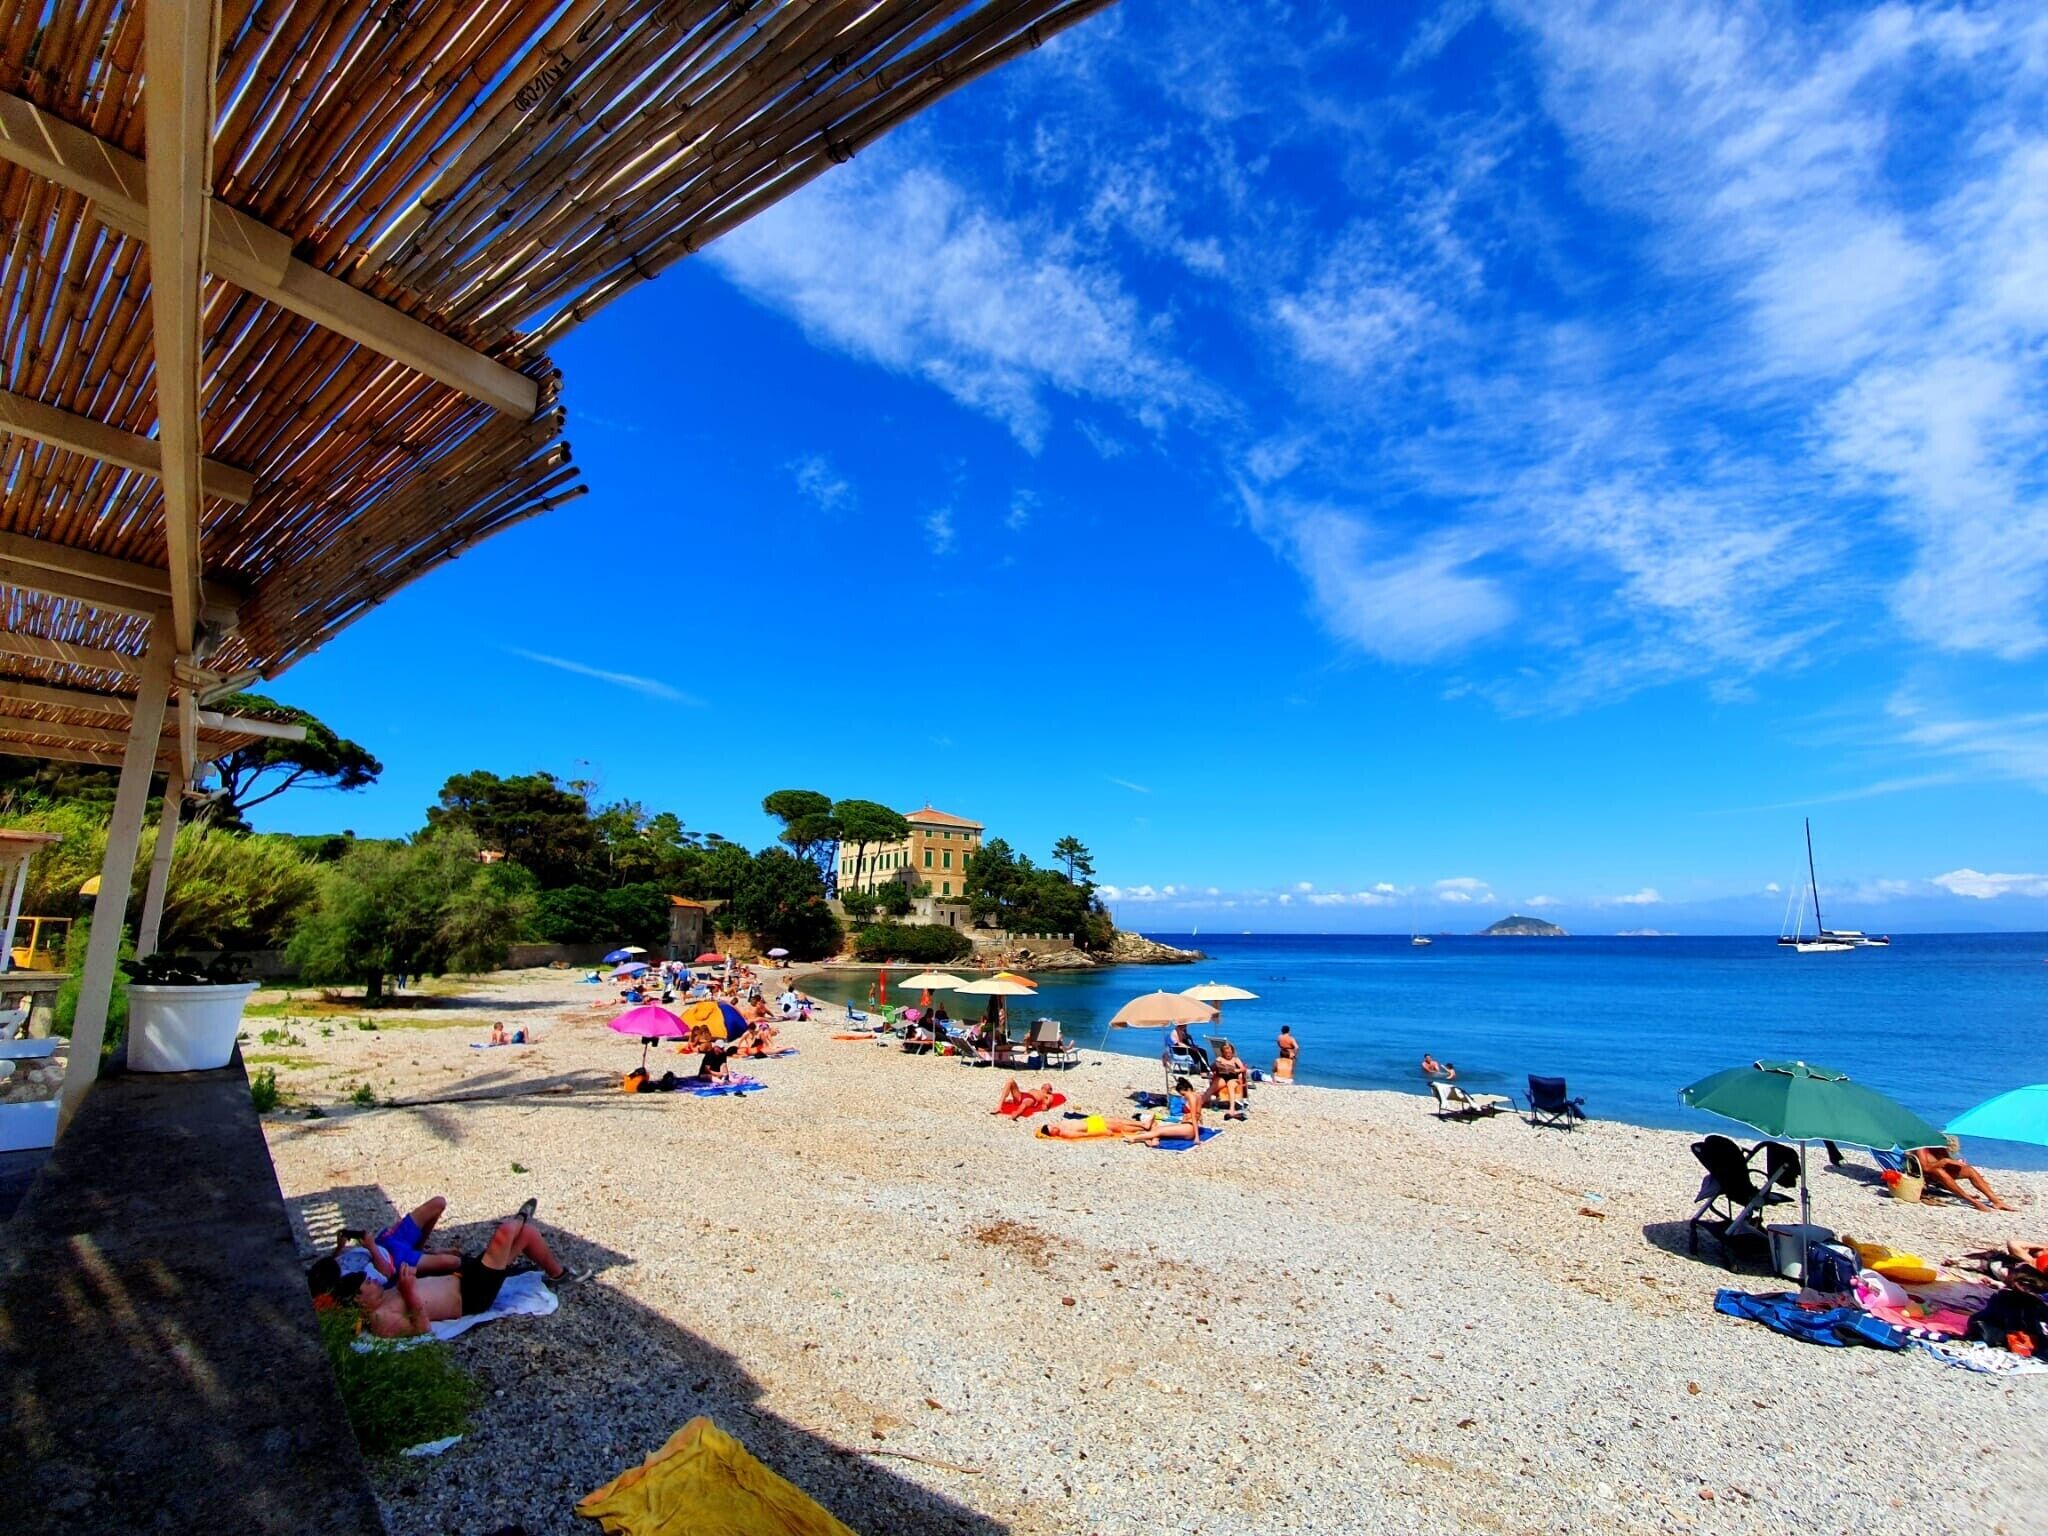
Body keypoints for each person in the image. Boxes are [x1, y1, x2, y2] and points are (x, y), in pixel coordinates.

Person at [334, 1202, 584, 1338]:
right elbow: (421, 1329)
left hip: (462, 1278)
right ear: (359, 1298)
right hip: (471, 1296)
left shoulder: (383, 1297)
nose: (373, 1282)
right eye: (367, 1283)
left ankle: (559, 1275)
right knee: (507, 1232)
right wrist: (409, 1291)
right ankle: (521, 1216)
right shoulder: (380, 1319)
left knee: (526, 1236)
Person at [315, 1196, 463, 1289]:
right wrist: (372, 1247)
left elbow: (332, 1261)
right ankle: (422, 1258)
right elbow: (387, 1272)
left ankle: (420, 1249)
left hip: (387, 1242)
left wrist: (339, 1248)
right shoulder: (352, 1283)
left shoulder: (330, 1268)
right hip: (398, 1261)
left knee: (439, 1203)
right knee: (454, 1262)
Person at [1914, 1139, 2016, 1212]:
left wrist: (1955, 1163)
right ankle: (1972, 1201)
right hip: (1930, 1174)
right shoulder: (1921, 1147)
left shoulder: (1938, 1146)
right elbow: (1925, 1168)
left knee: (1969, 1170)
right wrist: (1945, 1161)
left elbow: (1945, 1160)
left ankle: (1995, 1200)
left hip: (1943, 1170)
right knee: (1939, 1172)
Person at [1126, 1078, 1205, 1147]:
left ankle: (1134, 1138)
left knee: (1159, 1130)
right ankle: (1152, 1141)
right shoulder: (1198, 1096)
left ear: (1188, 1089)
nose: (1183, 1097)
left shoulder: (1191, 1097)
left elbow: (1194, 1116)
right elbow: (1199, 1113)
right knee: (1161, 1131)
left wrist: (1197, 1138)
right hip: (1189, 1128)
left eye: (1183, 1094)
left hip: (1189, 1128)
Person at [1208, 1040, 1249, 1119]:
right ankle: (1201, 1102)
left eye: (1230, 1052)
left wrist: (1235, 1070)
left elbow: (1243, 1069)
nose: (1228, 1054)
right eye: (1226, 1053)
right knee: (1213, 1087)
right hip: (1222, 1077)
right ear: (1223, 1053)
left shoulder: (1235, 1059)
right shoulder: (1220, 1058)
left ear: (1232, 1052)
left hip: (1234, 1078)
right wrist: (1216, 1063)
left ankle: (1232, 1109)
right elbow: (1211, 1068)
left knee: (1230, 1085)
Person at [993, 1080, 1062, 1116]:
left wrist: (1045, 1106)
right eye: (1045, 1083)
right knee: (1010, 1081)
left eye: (1049, 1085)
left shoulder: (1049, 1096)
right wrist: (1012, 1101)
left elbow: (1046, 1105)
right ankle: (999, 1106)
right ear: (1042, 1086)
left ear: (1050, 1090)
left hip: (1032, 1100)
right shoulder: (1035, 1090)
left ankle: (1016, 1113)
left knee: (1026, 1102)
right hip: (1022, 1095)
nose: (1046, 1084)